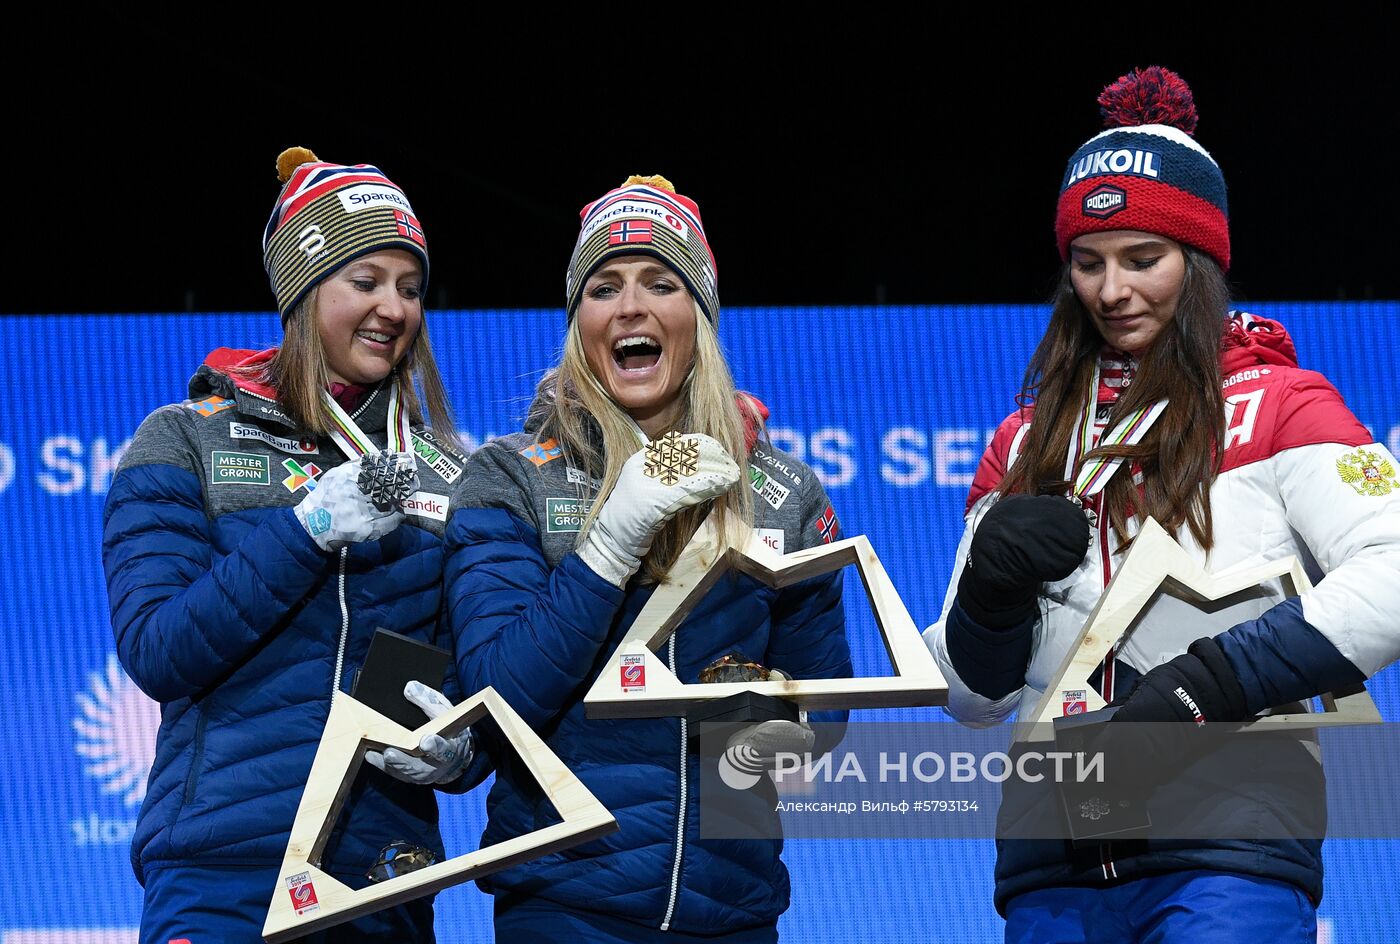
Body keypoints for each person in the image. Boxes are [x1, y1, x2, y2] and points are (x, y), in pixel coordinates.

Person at [923, 67, 1400, 941]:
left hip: (1227, 837)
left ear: (1202, 259)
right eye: (1088, 262)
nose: (1113, 291)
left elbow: (1394, 576)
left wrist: (1205, 686)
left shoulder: (1281, 402)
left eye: (1145, 259)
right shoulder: (1022, 442)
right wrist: (987, 602)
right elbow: (966, 699)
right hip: (1050, 857)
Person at [444, 175, 853, 942]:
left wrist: (786, 727)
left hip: (734, 909)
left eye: (661, 283)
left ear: (697, 317)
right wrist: (609, 546)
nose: (631, 306)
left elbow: (823, 708)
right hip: (565, 905)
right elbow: (496, 702)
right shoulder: (510, 478)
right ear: (580, 323)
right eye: (604, 287)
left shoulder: (785, 490)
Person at [103, 148, 476, 943]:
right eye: (365, 280)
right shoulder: (182, 443)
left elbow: (477, 675)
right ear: (303, 291)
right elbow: (159, 649)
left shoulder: (455, 471)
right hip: (227, 871)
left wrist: (462, 750)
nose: (394, 308)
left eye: (410, 288)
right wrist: (302, 532)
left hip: (385, 879)